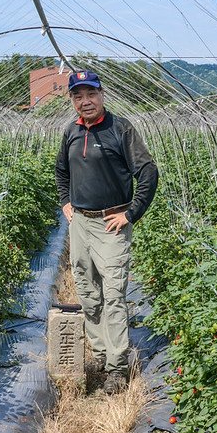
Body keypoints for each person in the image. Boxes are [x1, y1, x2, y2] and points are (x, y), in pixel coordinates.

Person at [55, 69, 159, 394]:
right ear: (72, 99)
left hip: (110, 224)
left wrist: (130, 213)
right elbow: (61, 170)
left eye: (90, 94)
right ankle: (100, 355)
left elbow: (148, 172)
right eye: (78, 95)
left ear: (101, 94)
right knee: (88, 293)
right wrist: (65, 203)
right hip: (81, 224)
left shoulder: (121, 129)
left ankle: (117, 368)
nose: (85, 101)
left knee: (113, 296)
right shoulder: (71, 131)